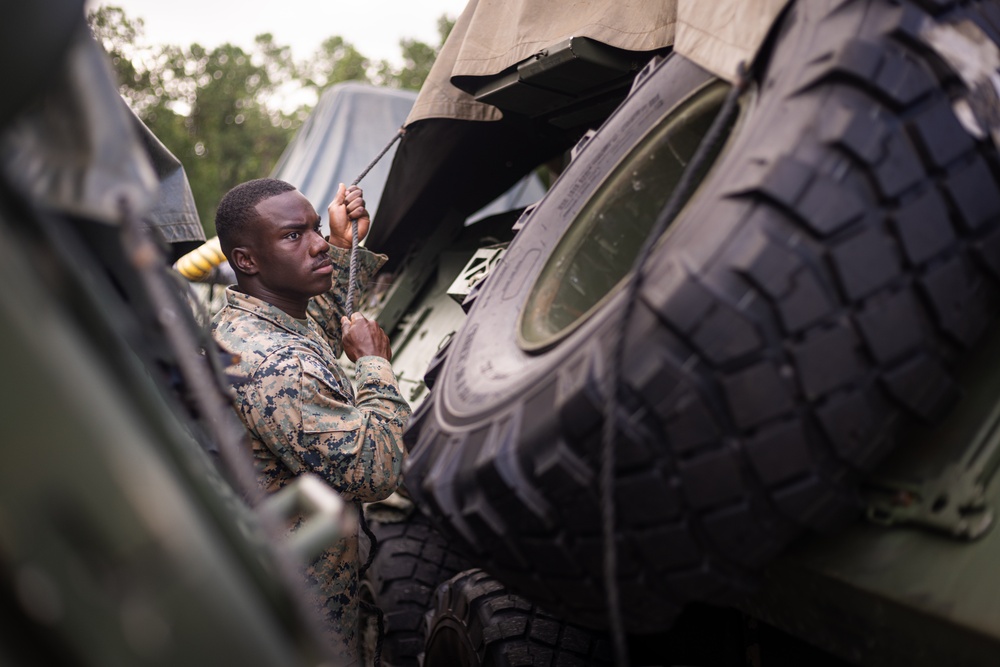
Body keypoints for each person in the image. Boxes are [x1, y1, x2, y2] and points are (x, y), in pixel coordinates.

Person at [211, 177, 410, 663]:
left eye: (316, 228)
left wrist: (344, 244)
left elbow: (314, 319)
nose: (317, 243)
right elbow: (379, 471)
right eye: (292, 235)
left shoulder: (253, 321)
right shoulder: (277, 365)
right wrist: (374, 364)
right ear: (247, 260)